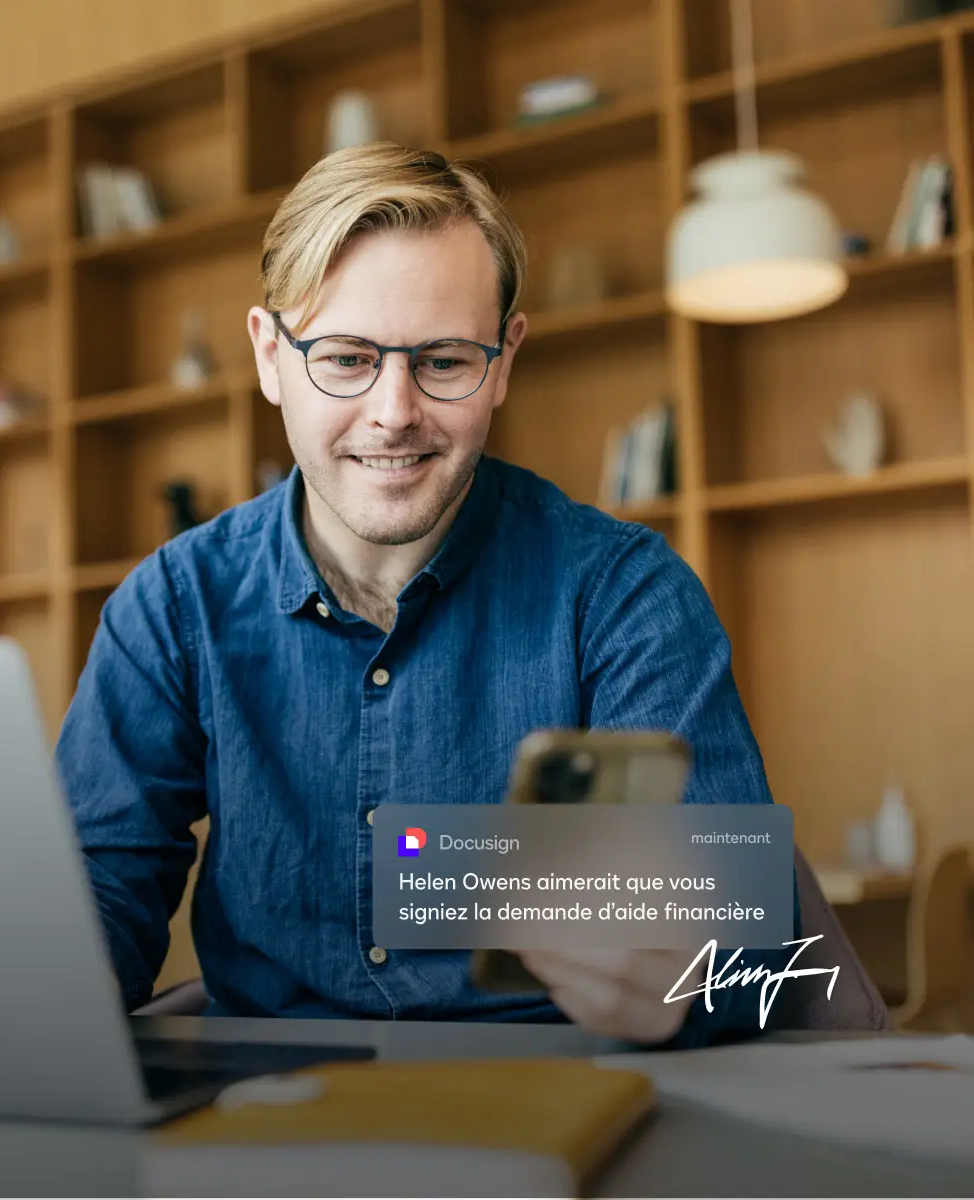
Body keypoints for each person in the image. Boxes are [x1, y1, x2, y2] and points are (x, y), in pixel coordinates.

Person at [56, 142, 797, 1047]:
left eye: (445, 361)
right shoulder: (173, 607)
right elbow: (97, 884)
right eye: (344, 358)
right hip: (272, 1125)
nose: (394, 410)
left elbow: (752, 957)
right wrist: (61, 977)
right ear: (268, 356)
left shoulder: (624, 593)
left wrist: (677, 975)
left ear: (504, 359)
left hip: (563, 1101)